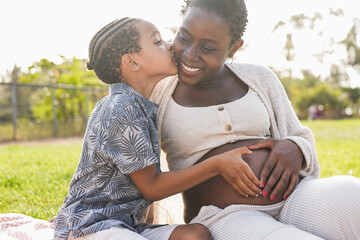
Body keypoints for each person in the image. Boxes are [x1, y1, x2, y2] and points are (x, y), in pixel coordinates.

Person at [150, 0, 360, 239]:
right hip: (225, 215)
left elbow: (299, 136)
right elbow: (142, 175)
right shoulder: (158, 92)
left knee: (352, 195)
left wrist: (295, 148)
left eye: (208, 48)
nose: (190, 54)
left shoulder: (260, 77)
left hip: (295, 196)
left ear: (233, 48)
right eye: (184, 38)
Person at [54, 17, 264, 240]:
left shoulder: (142, 106)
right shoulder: (120, 108)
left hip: (129, 224)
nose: (170, 46)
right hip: (92, 224)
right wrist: (217, 164)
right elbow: (152, 186)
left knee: (195, 234)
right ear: (132, 62)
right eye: (157, 42)